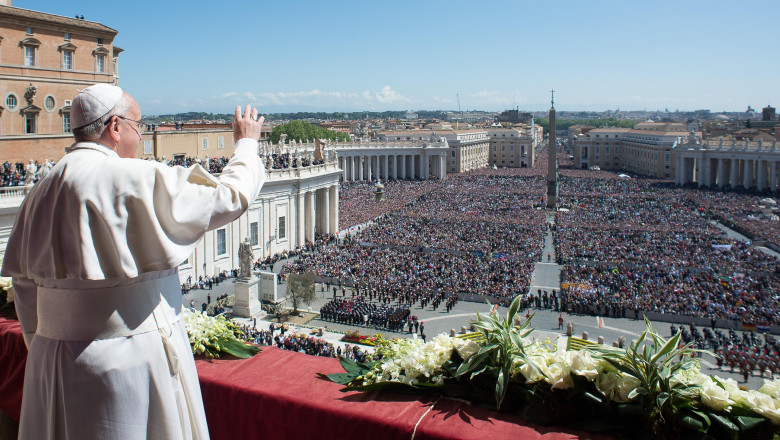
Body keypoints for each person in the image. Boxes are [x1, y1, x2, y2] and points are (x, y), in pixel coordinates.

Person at [2, 83, 266, 440]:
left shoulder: (40, 189)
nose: (140, 136)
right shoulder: (134, 177)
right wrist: (247, 143)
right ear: (114, 127)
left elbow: (24, 286)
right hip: (129, 362)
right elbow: (230, 196)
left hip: (51, 363)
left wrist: (51, 341)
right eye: (138, 125)